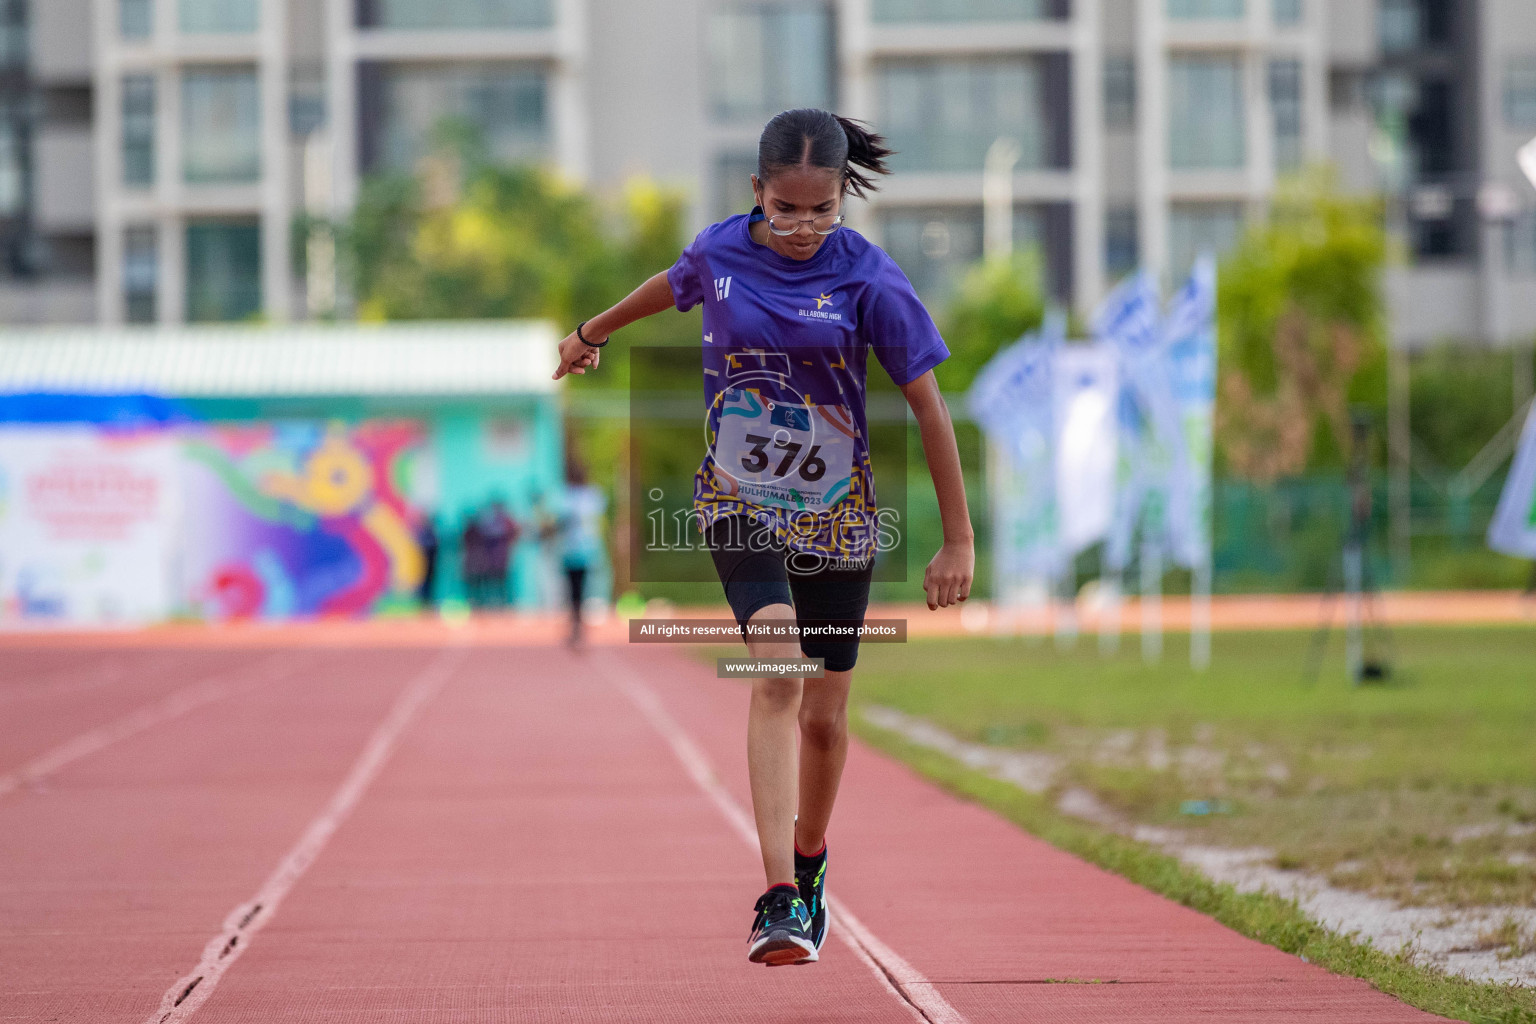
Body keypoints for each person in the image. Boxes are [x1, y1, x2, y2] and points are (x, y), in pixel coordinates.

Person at [553, 108, 973, 967]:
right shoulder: (720, 253)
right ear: (757, 192)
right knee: (778, 663)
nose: (803, 228)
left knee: (826, 715)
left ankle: (811, 863)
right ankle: (778, 898)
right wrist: (592, 332)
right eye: (786, 210)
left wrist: (957, 540)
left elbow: (929, 406)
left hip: (837, 510)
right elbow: (665, 285)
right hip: (738, 496)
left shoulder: (871, 279)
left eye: (822, 211)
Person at [551, 460, 607, 648]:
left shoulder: (583, 496)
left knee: (578, 588)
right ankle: (576, 623)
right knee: (574, 588)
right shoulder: (580, 495)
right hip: (574, 549)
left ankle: (577, 624)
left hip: (581, 549)